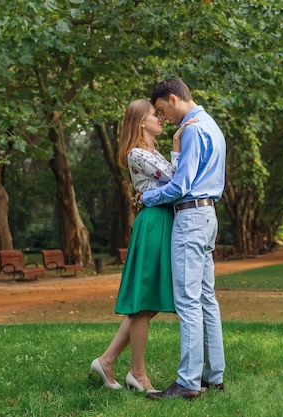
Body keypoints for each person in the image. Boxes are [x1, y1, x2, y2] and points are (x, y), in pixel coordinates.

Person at [89, 98, 192, 393]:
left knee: (147, 305)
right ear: (140, 122)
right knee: (144, 302)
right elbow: (177, 179)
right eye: (154, 115)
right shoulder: (137, 154)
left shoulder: (152, 152)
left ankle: (107, 361)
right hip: (153, 224)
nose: (161, 118)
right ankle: (137, 373)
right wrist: (177, 144)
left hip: (161, 221)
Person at [136, 79, 226, 401]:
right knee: (206, 299)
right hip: (208, 216)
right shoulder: (211, 125)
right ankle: (214, 376)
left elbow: (180, 185)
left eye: (162, 110)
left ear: (173, 99)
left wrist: (147, 199)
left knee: (188, 302)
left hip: (190, 218)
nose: (165, 117)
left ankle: (188, 383)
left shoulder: (191, 129)